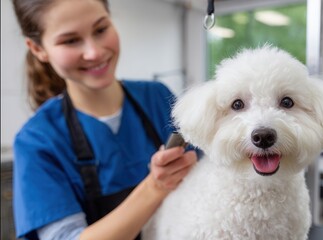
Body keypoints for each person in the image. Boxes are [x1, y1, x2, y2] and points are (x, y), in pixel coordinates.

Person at [11, 0, 197, 239]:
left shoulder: (158, 98)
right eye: (70, 40)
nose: (95, 52)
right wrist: (155, 187)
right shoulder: (37, 141)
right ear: (38, 49)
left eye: (100, 30)